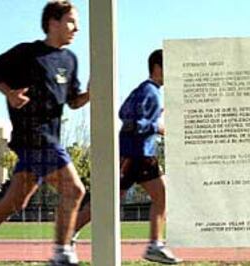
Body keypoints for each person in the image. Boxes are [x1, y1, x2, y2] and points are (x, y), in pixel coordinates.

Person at [0, 1, 88, 266]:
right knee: (75, 190)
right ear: (52, 23)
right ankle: (61, 254)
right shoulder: (27, 53)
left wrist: (91, 92)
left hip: (51, 138)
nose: (77, 28)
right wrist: (9, 93)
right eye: (70, 21)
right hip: (33, 137)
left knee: (16, 201)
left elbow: (73, 101)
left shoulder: (70, 60)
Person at [73, 49, 182, 264]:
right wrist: (157, 126)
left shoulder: (146, 89)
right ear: (157, 67)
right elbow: (130, 119)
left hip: (144, 154)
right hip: (133, 154)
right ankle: (68, 235)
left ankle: (155, 245)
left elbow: (124, 111)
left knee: (163, 194)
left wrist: (153, 120)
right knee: (107, 201)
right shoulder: (149, 91)